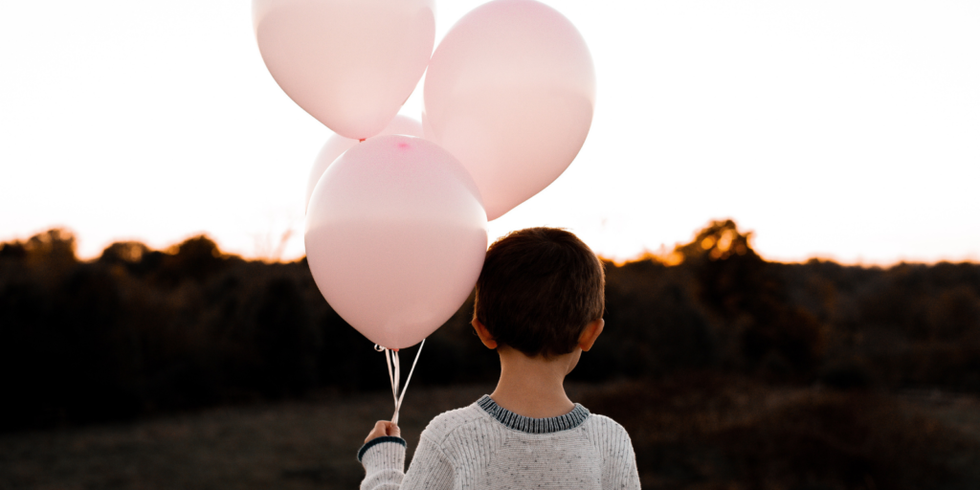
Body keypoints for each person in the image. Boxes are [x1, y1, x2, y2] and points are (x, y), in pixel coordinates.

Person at [358, 227, 641, 490]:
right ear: (591, 333)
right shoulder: (611, 442)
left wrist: (384, 465)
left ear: (483, 331)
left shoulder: (452, 435)